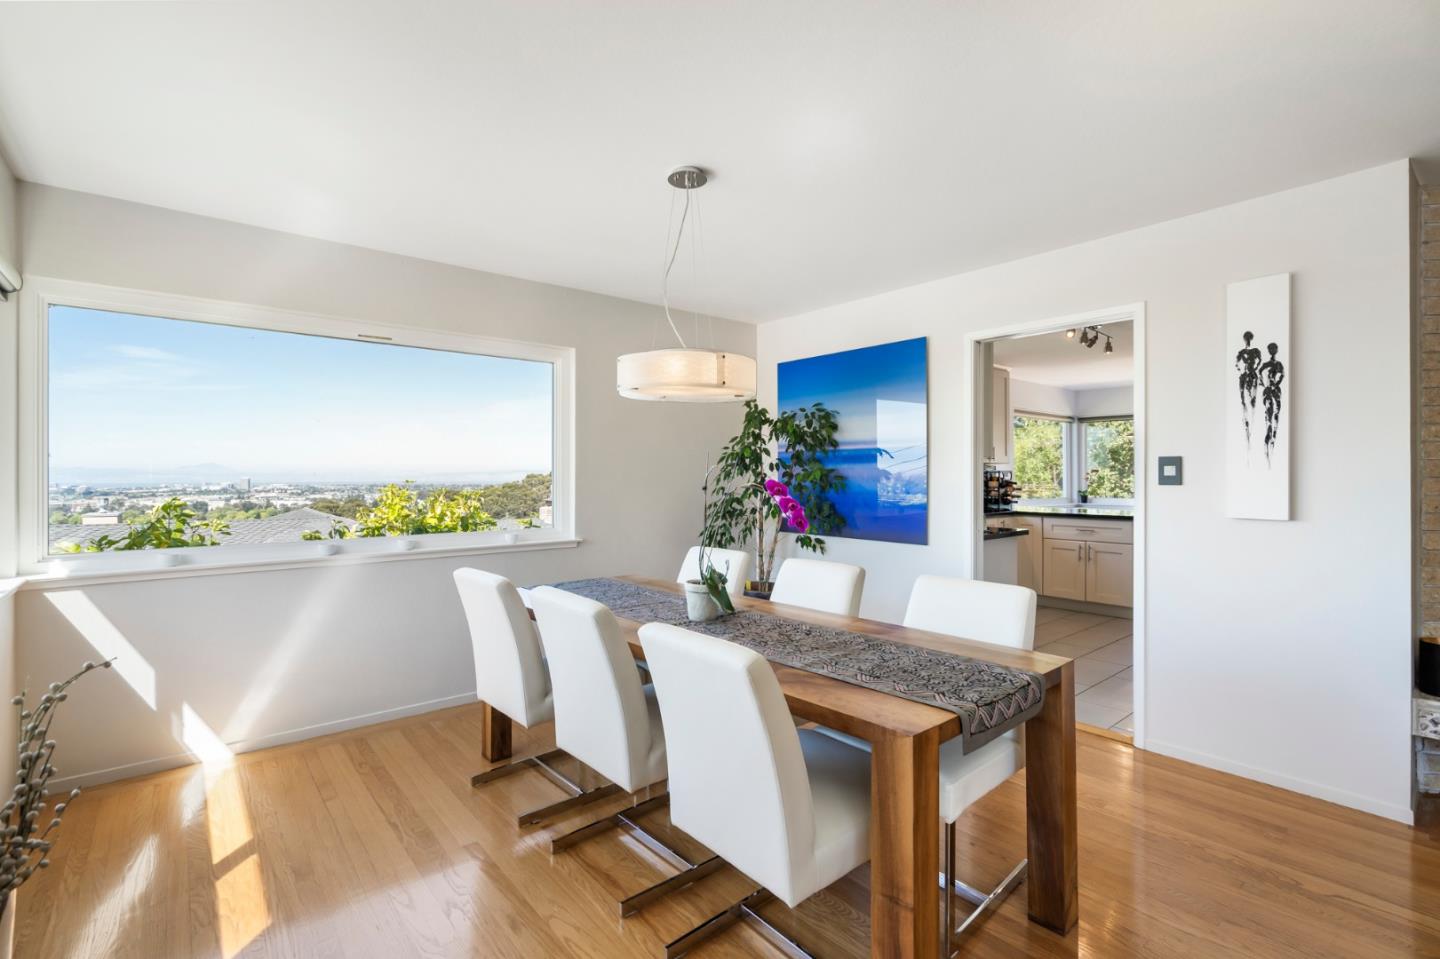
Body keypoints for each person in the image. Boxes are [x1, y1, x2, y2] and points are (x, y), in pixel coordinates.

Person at [1235, 331, 1262, 447]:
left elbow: (1259, 361)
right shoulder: (1241, 352)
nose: (1247, 340)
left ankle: (1251, 425)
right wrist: (1242, 371)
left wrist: (1254, 368)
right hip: (1244, 377)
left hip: (1252, 376)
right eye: (1246, 338)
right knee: (1243, 402)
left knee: (1252, 401)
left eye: (1249, 338)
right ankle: (1246, 426)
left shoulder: (1255, 351)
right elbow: (1236, 364)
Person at [1259, 342, 1285, 463]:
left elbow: (1281, 376)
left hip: (1274, 392)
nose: (1273, 350)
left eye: (1274, 348)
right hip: (1269, 392)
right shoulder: (1265, 365)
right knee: (1269, 419)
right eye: (1271, 348)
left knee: (1275, 417)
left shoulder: (1279, 364)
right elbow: (1260, 376)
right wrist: (1266, 385)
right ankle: (1268, 447)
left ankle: (1272, 444)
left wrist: (1274, 385)